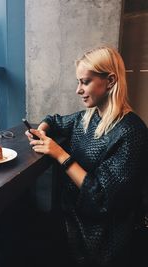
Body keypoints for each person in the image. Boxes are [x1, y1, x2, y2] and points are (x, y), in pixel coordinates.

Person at [25, 46, 148, 267]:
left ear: (110, 81)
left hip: (101, 238)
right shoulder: (87, 117)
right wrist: (41, 130)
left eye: (85, 82)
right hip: (70, 220)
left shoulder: (131, 131)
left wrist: (60, 154)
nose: (78, 90)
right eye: (78, 82)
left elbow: (102, 198)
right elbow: (53, 120)